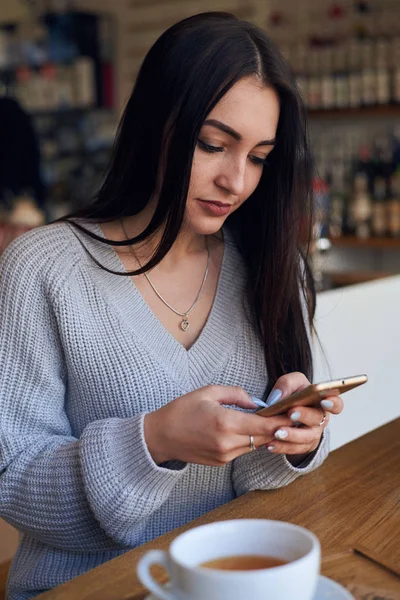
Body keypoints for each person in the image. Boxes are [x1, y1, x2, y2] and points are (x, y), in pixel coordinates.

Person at [0, 12, 343, 600]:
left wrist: (293, 438)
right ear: (157, 125)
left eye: (259, 156)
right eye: (213, 144)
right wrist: (155, 441)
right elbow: (13, 483)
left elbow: (256, 480)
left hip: (230, 580)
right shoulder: (42, 268)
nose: (236, 180)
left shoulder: (269, 264)